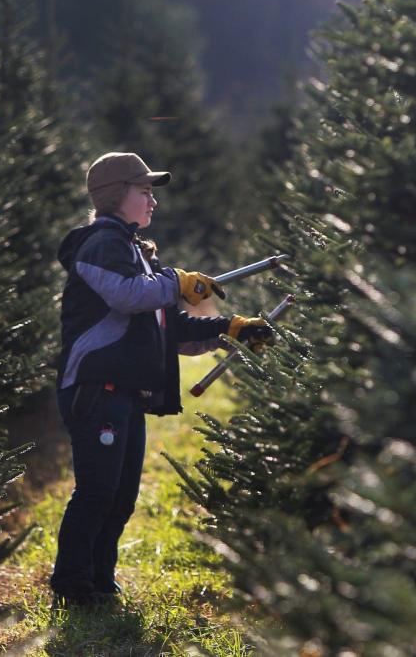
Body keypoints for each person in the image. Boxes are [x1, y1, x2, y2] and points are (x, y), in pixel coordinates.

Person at [49, 151, 271, 608]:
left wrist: (229, 327)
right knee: (97, 492)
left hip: (125, 394)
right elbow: (128, 297)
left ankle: (100, 580)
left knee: (122, 496)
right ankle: (72, 585)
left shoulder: (135, 252)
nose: (153, 202)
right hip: (95, 389)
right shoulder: (98, 244)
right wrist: (177, 280)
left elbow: (170, 330)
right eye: (145, 191)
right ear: (116, 195)